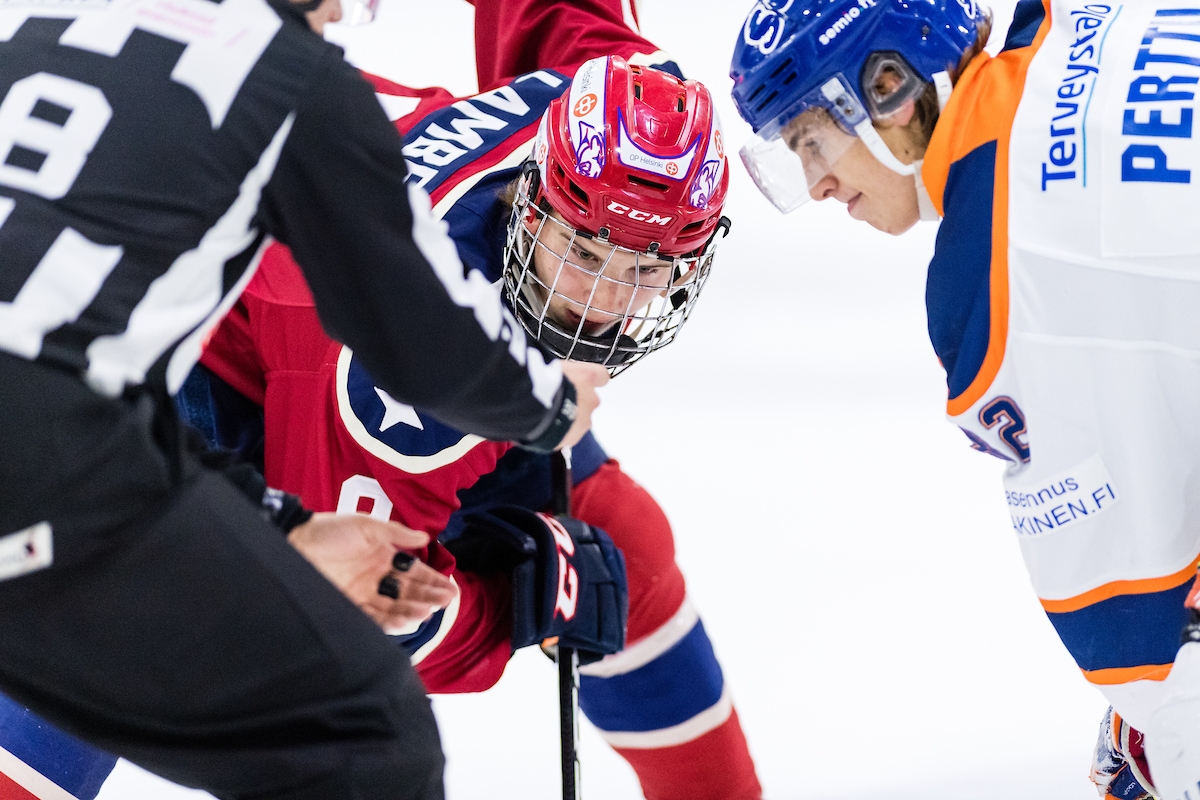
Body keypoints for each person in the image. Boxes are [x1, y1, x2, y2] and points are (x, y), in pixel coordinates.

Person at [0, 2, 763, 799]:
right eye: (583, 251)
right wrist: (511, 607)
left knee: (627, 545)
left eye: (646, 267)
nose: (605, 303)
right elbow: (348, 608)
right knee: (135, 626)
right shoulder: (394, 395)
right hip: (221, 369)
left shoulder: (631, 97)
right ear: (532, 197)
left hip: (356, 317)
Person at [729, 0, 1200, 796]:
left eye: (811, 139)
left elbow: (1131, 620)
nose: (816, 185)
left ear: (888, 86)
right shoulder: (1090, 16)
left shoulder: (988, 283)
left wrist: (1158, 728)